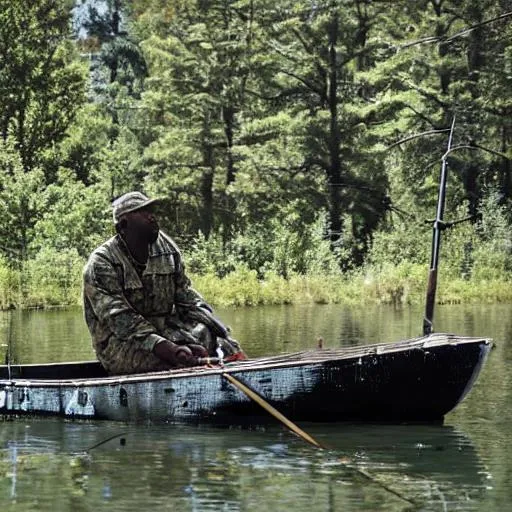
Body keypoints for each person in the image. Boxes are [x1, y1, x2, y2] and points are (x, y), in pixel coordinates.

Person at [83, 191, 245, 375]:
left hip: (168, 333)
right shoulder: (101, 262)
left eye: (152, 211)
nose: (152, 217)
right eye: (143, 212)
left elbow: (188, 299)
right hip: (121, 344)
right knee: (172, 361)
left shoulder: (167, 250)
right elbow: (119, 319)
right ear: (124, 225)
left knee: (213, 339)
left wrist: (218, 332)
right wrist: (168, 348)